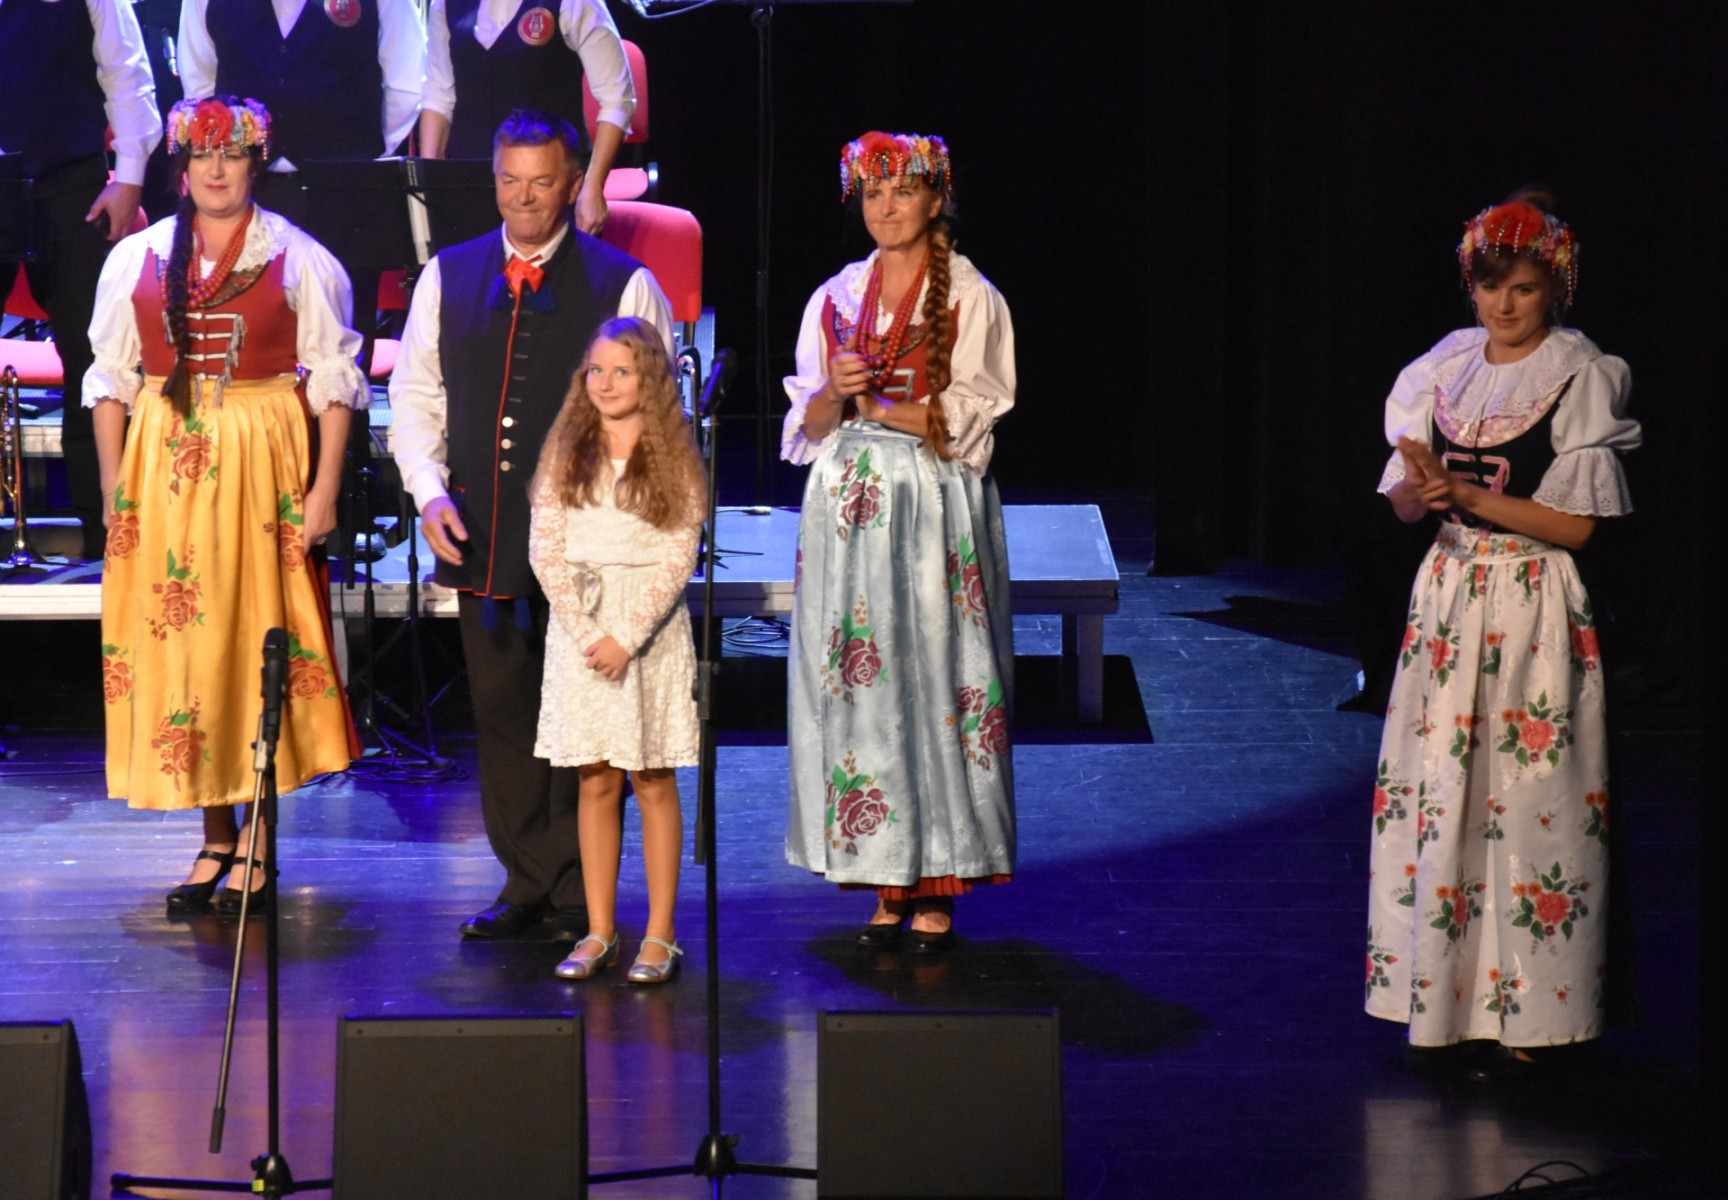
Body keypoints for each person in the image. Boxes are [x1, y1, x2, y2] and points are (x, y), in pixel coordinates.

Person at [1364, 191, 1641, 1073]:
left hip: (1531, 603)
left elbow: (1578, 527)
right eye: (1490, 287)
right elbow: (1407, 507)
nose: (1504, 305)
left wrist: (1468, 495)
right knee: (1444, 792)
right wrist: (1422, 490)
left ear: (1554, 288)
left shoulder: (1580, 373)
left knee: (1530, 802)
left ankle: (1535, 1014)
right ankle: (1442, 999)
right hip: (1449, 599)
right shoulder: (1445, 366)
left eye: (1522, 288)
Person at [391, 110, 672, 941]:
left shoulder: (623, 283)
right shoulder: (448, 275)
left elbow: (659, 415)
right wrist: (429, 493)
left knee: (584, 717)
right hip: (485, 530)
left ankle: (580, 891)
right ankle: (526, 880)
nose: (524, 198)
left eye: (542, 182)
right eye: (510, 181)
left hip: (591, 544)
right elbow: (416, 395)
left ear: (573, 184)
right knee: (505, 709)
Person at [85, 96, 364, 913]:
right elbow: (111, 382)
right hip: (165, 467)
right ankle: (214, 832)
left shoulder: (298, 258)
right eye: (202, 155)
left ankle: (260, 838)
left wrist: (324, 489)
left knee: (254, 640)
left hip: (258, 463)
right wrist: (113, 487)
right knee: (189, 650)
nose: (216, 169)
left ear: (254, 164)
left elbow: (334, 383)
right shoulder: (137, 259)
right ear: (182, 168)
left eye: (232, 155)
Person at [781, 132, 1017, 954]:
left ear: (935, 199)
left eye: (903, 192)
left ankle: (938, 880)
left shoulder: (970, 296)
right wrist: (832, 393)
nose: (886, 208)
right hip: (851, 509)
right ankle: (883, 873)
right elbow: (809, 427)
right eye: (873, 195)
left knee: (936, 673)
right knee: (863, 687)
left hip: (929, 502)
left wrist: (877, 408)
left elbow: (966, 423)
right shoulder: (835, 297)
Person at [528, 316, 703, 983]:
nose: (604, 383)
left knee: (650, 776)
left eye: (621, 371)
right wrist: (586, 633)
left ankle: (660, 933)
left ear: (649, 379)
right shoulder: (568, 450)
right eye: (596, 370)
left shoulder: (673, 456)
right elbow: (546, 553)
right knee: (595, 777)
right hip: (582, 632)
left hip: (646, 634)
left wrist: (626, 638)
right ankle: (599, 929)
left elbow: (679, 553)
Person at [0, 0, 162, 558]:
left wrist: (131, 176)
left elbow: (126, 69)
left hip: (70, 182)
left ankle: (109, 534)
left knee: (95, 358)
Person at [418, 0, 635, 234]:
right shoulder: (446, 4)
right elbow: (439, 95)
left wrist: (593, 187)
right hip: (470, 186)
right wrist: (426, 184)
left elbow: (617, 98)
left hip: (550, 189)